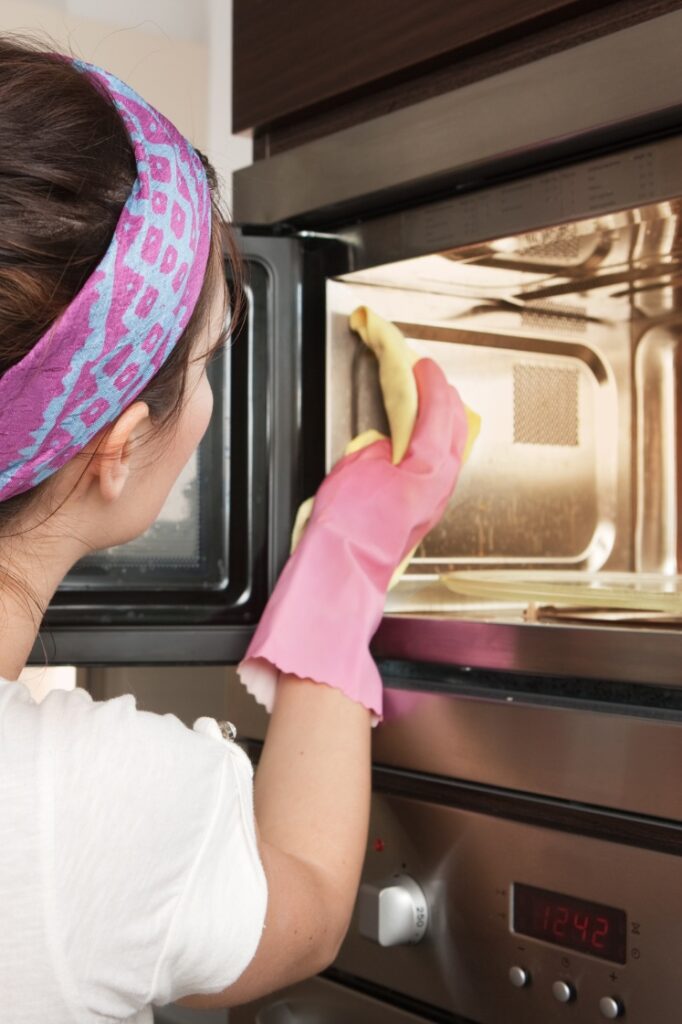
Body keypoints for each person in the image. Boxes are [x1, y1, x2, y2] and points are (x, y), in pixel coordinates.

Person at [0, 37, 469, 1023]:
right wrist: (340, 572)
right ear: (117, 446)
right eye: (210, 360)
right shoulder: (77, 812)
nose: (212, 399)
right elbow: (297, 895)